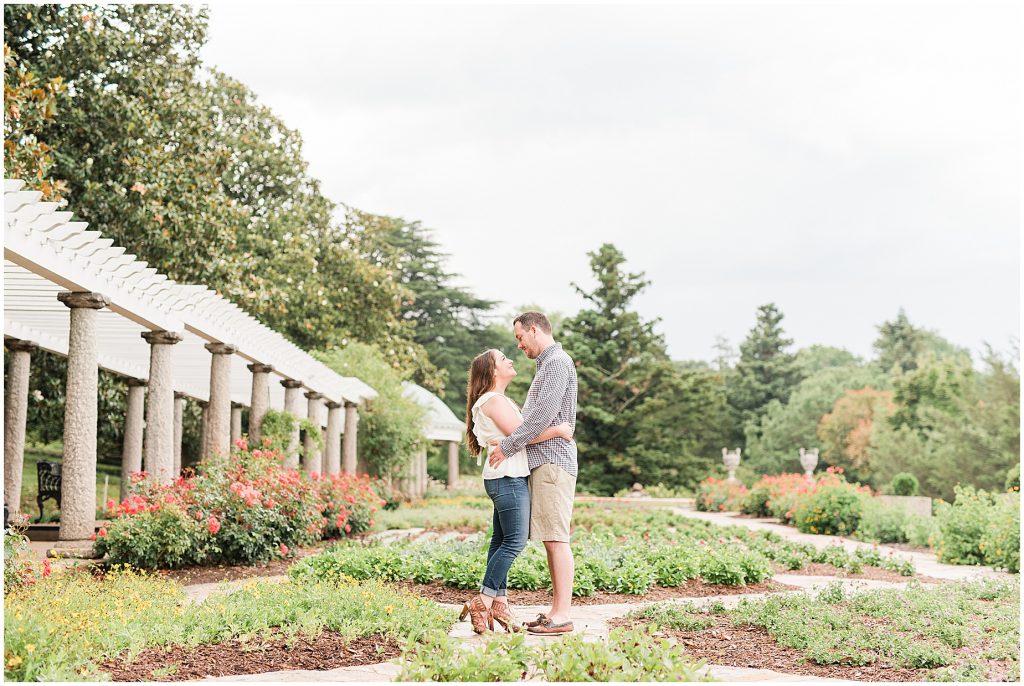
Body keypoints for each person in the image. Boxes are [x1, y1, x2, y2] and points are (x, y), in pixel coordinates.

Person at [461, 348, 573, 634]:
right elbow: (526, 436)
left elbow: (519, 433)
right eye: (502, 359)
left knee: (500, 541)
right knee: (514, 542)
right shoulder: (493, 401)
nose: (510, 359)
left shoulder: (497, 400)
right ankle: (484, 600)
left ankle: (499, 601)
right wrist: (559, 430)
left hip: (505, 476)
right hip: (508, 478)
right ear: (492, 371)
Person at [488, 311, 578, 635]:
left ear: (535, 329)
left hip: (554, 463)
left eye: (520, 337)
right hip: (546, 462)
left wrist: (508, 446)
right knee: (552, 539)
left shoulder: (556, 363)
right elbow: (543, 423)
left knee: (556, 538)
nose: (519, 345)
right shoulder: (547, 365)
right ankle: (556, 611)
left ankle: (562, 614)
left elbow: (538, 419)